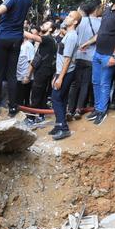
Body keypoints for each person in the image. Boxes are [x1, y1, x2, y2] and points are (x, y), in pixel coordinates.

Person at [66, 1, 100, 120]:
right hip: (91, 57)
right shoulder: (101, 22)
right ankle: (78, 109)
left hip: (78, 56)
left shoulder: (80, 21)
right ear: (96, 9)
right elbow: (99, 37)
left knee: (75, 84)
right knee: (85, 84)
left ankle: (70, 109)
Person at [49, 11, 79, 140]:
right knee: (61, 98)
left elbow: (67, 60)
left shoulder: (72, 36)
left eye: (70, 16)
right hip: (61, 72)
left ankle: (63, 128)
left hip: (66, 73)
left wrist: (60, 77)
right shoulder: (68, 35)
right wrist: (56, 75)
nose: (67, 17)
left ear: (75, 22)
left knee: (56, 98)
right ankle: (58, 124)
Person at [27, 20, 58, 117]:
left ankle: (31, 118)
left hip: (43, 71)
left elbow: (32, 37)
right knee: (42, 94)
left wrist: (17, 28)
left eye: (47, 24)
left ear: (51, 29)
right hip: (46, 70)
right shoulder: (51, 40)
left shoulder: (47, 39)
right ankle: (41, 116)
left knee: (36, 93)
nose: (44, 24)